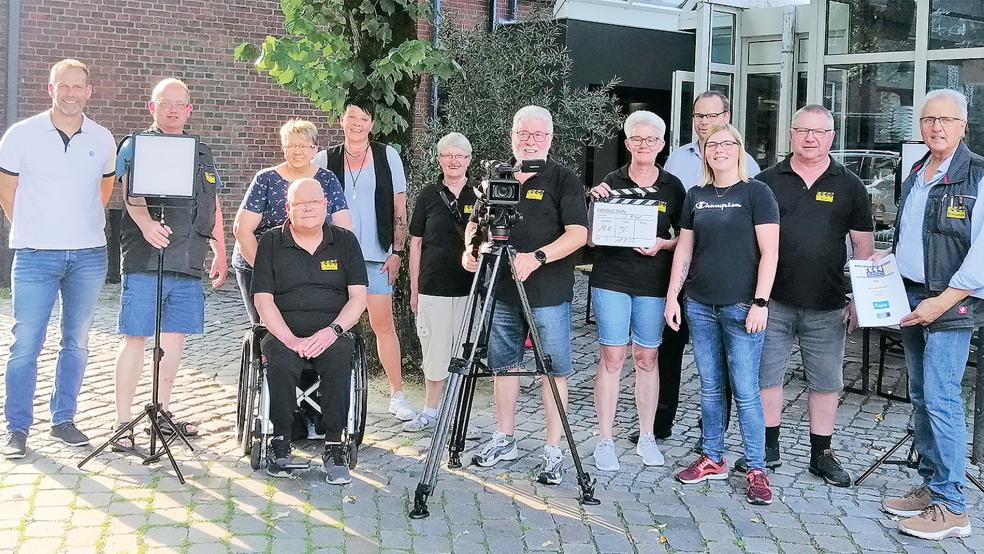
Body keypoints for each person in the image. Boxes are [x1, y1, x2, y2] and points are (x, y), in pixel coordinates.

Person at [732, 105, 874, 486]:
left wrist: (859, 299)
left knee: (826, 382)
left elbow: (863, 247)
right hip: (772, 302)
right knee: (767, 378)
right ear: (790, 134)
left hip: (828, 303)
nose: (810, 138)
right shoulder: (763, 182)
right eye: (802, 130)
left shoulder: (850, 185)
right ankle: (767, 449)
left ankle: (821, 454)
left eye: (819, 131)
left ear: (831, 137)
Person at [462, 105, 588, 485]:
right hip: (500, 289)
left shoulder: (563, 178)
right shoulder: (497, 176)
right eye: (523, 133)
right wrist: (469, 248)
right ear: (512, 135)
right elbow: (475, 222)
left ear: (550, 139)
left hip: (547, 291)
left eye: (537, 134)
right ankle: (505, 437)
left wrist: (538, 257)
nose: (529, 140)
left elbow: (579, 233)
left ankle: (553, 448)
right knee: (504, 366)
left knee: (552, 371)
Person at [879, 88, 983, 540]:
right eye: (928, 120)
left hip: (951, 301)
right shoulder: (917, 172)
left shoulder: (976, 175)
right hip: (913, 296)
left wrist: (940, 302)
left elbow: (981, 253)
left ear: (963, 126)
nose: (936, 127)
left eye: (946, 120)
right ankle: (932, 485)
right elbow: (907, 239)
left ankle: (953, 506)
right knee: (921, 396)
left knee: (942, 398)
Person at [630, 91, 762, 446]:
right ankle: (659, 421)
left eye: (711, 115)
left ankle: (712, 431)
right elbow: (673, 220)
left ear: (727, 116)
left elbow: (759, 241)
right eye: (698, 116)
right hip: (678, 270)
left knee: (724, 365)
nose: (704, 122)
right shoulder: (677, 158)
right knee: (669, 351)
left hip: (728, 282)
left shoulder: (745, 164)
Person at [0, 59, 117, 459]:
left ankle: (63, 419)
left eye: (77, 87)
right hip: (35, 256)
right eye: (62, 87)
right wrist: (39, 231)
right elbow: (7, 193)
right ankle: (17, 428)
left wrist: (76, 227)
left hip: (87, 255)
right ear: (50, 89)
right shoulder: (21, 135)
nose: (70, 93)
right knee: (25, 344)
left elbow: (103, 191)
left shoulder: (102, 138)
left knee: (77, 343)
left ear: (89, 91)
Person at [664, 123, 779, 505]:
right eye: (712, 144)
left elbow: (771, 253)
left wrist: (761, 302)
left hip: (742, 306)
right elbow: (684, 249)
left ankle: (757, 467)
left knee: (745, 390)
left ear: (739, 149)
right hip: (699, 305)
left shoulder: (757, 193)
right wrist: (672, 297)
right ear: (705, 151)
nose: (719, 149)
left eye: (727, 143)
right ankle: (712, 457)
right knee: (711, 387)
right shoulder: (695, 195)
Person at [111, 78, 229, 449]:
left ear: (190, 110)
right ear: (153, 107)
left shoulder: (203, 152)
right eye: (166, 104)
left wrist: (221, 250)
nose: (173, 110)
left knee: (174, 339)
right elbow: (130, 191)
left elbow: (213, 205)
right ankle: (123, 421)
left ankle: (160, 413)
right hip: (147, 259)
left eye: (180, 104)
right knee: (136, 337)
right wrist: (146, 225)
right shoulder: (136, 145)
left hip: (189, 260)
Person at [251, 178, 369, 483]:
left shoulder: (344, 241)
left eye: (314, 202)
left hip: (331, 330)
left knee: (341, 355)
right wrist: (288, 338)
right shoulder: (271, 242)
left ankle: (333, 445)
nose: (308, 208)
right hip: (283, 330)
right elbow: (263, 299)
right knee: (279, 360)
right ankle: (281, 442)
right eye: (300, 203)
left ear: (326, 207)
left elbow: (358, 298)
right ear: (288, 208)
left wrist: (332, 331)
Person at [586, 111, 685, 471]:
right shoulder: (610, 182)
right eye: (637, 139)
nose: (644, 146)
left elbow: (683, 240)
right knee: (612, 357)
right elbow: (592, 237)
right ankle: (605, 439)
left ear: (662, 145)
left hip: (653, 282)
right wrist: (594, 203)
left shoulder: (674, 187)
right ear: (627, 143)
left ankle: (646, 436)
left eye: (652, 140)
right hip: (612, 278)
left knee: (647, 358)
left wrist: (662, 244)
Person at [314, 100, 413, 422]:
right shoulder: (324, 159)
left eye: (364, 118)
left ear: (372, 124)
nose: (357, 123)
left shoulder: (388, 156)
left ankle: (397, 394)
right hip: (333, 256)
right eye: (352, 116)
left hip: (375, 256)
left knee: (383, 325)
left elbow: (400, 206)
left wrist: (398, 251)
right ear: (342, 120)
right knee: (329, 323)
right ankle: (324, 394)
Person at [233, 119, 351, 324]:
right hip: (260, 258)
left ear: (315, 150)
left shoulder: (328, 180)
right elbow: (242, 230)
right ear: (283, 148)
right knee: (267, 327)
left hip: (311, 265)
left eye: (304, 146)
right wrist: (267, 274)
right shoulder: (266, 179)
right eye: (291, 145)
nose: (297, 151)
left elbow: (344, 228)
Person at [404, 133, 479, 432]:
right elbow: (416, 245)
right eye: (448, 155)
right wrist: (413, 289)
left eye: (460, 156)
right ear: (439, 160)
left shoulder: (481, 196)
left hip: (469, 288)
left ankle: (461, 418)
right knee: (433, 351)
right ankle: (430, 411)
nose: (454, 161)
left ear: (469, 160)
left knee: (463, 352)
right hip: (433, 286)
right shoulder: (427, 196)